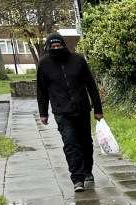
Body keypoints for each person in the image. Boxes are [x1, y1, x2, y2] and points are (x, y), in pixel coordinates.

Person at [36, 32, 103, 193]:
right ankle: (77, 178)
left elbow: (91, 85)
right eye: (53, 46)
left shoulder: (78, 60)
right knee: (71, 144)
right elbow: (41, 90)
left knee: (86, 142)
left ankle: (87, 171)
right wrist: (43, 113)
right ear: (48, 47)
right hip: (62, 112)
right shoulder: (44, 64)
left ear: (64, 45)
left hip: (82, 109)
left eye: (59, 45)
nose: (56, 48)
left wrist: (98, 110)